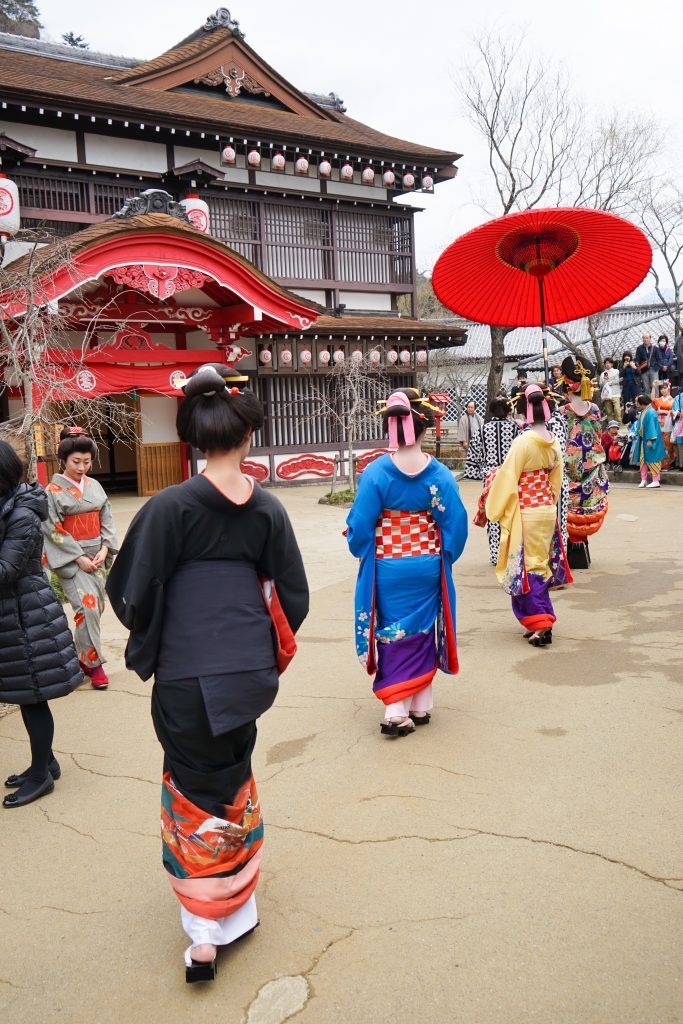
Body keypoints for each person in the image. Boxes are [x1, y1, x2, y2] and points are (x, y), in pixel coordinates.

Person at [106, 364, 308, 982]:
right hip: (248, 671)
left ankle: (204, 932)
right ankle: (237, 904)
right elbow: (292, 596)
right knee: (234, 774)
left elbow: (132, 593)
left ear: (194, 439)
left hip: (188, 671)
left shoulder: (169, 507)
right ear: (246, 438)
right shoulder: (268, 509)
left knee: (192, 789)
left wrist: (165, 627)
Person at [346, 388, 468, 738]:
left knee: (392, 631)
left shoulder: (376, 472)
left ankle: (396, 708)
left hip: (388, 564)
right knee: (422, 629)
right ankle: (418, 702)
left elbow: (360, 525)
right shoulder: (440, 475)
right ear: (426, 427)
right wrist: (443, 555)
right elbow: (455, 525)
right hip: (426, 563)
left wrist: (363, 548)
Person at [0, 442, 82, 809]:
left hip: (25, 614)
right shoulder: (10, 505)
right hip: (16, 613)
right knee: (26, 694)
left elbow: (6, 570)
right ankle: (45, 761)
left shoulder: (22, 514)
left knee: (32, 698)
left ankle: (40, 776)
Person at [486, 386, 572, 648]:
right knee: (538, 563)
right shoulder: (553, 441)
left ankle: (541, 621)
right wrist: (548, 502)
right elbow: (555, 480)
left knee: (527, 566)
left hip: (526, 510)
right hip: (545, 507)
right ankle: (535, 619)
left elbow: (509, 476)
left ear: (524, 411)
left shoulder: (523, 441)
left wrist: (495, 508)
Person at [42, 427, 119, 689]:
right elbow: (52, 528)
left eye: (87, 462)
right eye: (76, 462)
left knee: (95, 610)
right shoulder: (52, 490)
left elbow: (106, 518)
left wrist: (105, 549)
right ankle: (94, 665)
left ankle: (81, 657)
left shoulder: (94, 485)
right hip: (74, 560)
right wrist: (78, 557)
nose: (82, 467)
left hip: (97, 555)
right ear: (63, 459)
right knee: (86, 609)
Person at [560, 356, 609, 569]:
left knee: (567, 508)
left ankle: (572, 546)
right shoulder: (595, 410)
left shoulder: (562, 412)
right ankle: (581, 545)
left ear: (567, 385)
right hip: (591, 469)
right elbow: (598, 435)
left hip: (569, 470)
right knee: (586, 507)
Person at [474, 397, 518, 565]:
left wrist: (482, 471)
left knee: (493, 514)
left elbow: (475, 455)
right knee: (511, 514)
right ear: (508, 411)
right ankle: (511, 551)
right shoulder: (515, 429)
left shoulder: (482, 430)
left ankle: (495, 554)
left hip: (491, 476)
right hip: (511, 475)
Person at [631, 393, 667, 488]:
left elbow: (651, 427)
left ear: (642, 403)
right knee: (643, 460)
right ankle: (644, 479)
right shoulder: (645, 411)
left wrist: (650, 439)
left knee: (653, 459)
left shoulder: (650, 412)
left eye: (637, 402)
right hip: (644, 439)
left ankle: (656, 480)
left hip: (650, 440)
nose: (636, 404)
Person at [457, 399, 484, 479]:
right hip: (469, 440)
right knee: (469, 458)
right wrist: (464, 441)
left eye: (472, 407)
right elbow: (462, 429)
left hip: (478, 441)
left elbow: (482, 426)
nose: (470, 409)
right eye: (468, 407)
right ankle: (469, 473)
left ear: (475, 408)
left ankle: (479, 474)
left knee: (478, 458)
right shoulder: (463, 418)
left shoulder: (479, 417)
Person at [651, 379, 675, 469]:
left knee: (667, 444)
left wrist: (664, 411)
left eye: (664, 388)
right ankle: (659, 464)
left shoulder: (673, 400)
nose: (662, 390)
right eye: (661, 389)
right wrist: (653, 387)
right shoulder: (659, 400)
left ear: (669, 389)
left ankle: (667, 464)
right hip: (658, 424)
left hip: (668, 424)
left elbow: (674, 411)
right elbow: (652, 399)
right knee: (659, 444)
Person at [599, 358, 622, 423]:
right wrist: (605, 381)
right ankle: (611, 424)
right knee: (608, 411)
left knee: (617, 409)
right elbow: (600, 384)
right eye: (606, 363)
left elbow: (617, 380)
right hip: (606, 394)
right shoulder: (603, 374)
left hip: (615, 393)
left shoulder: (616, 371)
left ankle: (618, 422)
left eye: (609, 363)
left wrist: (608, 383)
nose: (607, 364)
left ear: (612, 364)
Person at [671, 388, 683, 469]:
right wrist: (678, 412)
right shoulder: (678, 397)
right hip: (680, 422)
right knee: (680, 444)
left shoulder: (678, 397)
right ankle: (681, 464)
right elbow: (674, 410)